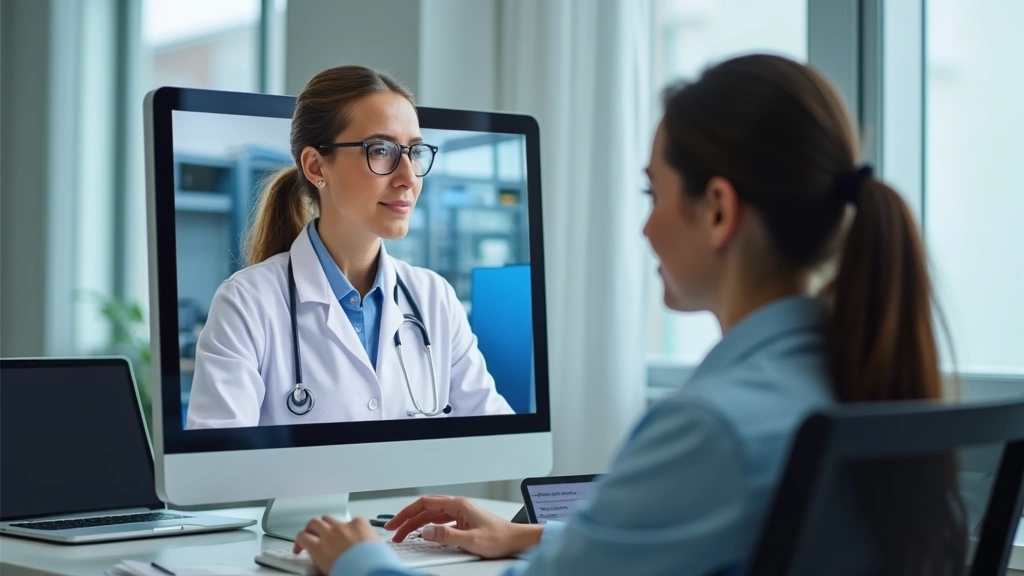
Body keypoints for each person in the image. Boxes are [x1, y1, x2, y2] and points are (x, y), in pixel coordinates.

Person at [289, 55, 967, 575]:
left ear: (720, 211)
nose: (644, 229)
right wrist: (530, 535)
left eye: (654, 193)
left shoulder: (712, 428)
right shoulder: (857, 381)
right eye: (383, 152)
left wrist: (357, 558)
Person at [186, 66, 514, 428]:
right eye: (381, 150)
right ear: (316, 166)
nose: (408, 177)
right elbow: (217, 471)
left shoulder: (434, 297)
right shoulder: (246, 303)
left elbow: (501, 435)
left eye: (415, 152)